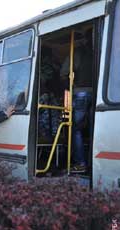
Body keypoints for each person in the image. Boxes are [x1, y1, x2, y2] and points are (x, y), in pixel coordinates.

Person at [60, 30, 93, 173]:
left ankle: (80, 163)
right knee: (92, 129)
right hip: (96, 93)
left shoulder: (76, 53)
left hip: (80, 92)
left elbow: (63, 72)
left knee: (76, 129)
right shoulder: (97, 51)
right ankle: (91, 163)